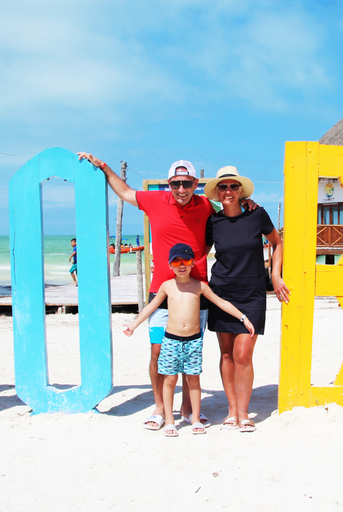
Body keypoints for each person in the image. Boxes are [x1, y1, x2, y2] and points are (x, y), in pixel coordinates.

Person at [75, 153, 247, 429]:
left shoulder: (206, 205)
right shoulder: (154, 200)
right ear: (169, 183)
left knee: (191, 354)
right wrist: (104, 167)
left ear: (195, 184)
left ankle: (188, 409)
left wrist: (249, 204)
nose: (181, 189)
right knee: (158, 352)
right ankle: (158, 409)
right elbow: (125, 191)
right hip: (161, 292)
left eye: (187, 183)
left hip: (195, 293)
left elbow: (231, 208)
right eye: (176, 183)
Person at [123, 243, 254, 437]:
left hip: (193, 341)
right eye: (176, 261)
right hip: (170, 340)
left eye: (186, 261)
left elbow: (221, 302)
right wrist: (133, 325)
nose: (181, 265)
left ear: (193, 264)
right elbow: (151, 308)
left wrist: (243, 318)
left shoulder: (200, 287)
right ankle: (169, 420)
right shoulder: (167, 286)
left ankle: (193, 418)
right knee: (170, 380)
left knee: (193, 380)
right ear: (169, 265)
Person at [204, 166, 289, 432]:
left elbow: (278, 243)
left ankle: (244, 411)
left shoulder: (257, 214)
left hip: (252, 294)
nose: (228, 191)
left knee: (243, 354)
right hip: (221, 294)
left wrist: (275, 275)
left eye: (233, 186)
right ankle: (232, 411)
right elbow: (200, 253)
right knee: (227, 354)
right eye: (223, 187)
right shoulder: (213, 221)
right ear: (217, 193)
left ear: (241, 191)